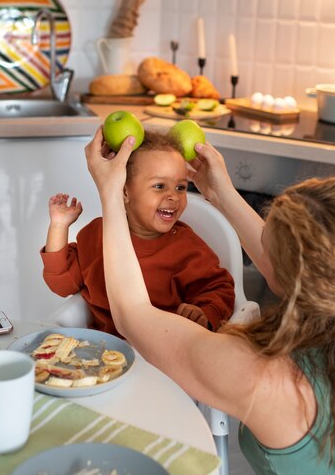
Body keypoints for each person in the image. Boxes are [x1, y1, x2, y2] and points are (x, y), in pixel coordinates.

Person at [85, 125, 335, 475]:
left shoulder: (268, 378)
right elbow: (282, 267)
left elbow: (134, 315)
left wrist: (111, 196)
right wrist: (221, 193)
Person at [40, 131, 235, 336]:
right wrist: (59, 226)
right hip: (106, 352)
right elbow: (61, 284)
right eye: (159, 186)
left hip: (165, 352)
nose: (174, 196)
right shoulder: (97, 235)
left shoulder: (188, 248)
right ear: (124, 191)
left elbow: (219, 289)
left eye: (180, 187)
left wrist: (203, 313)